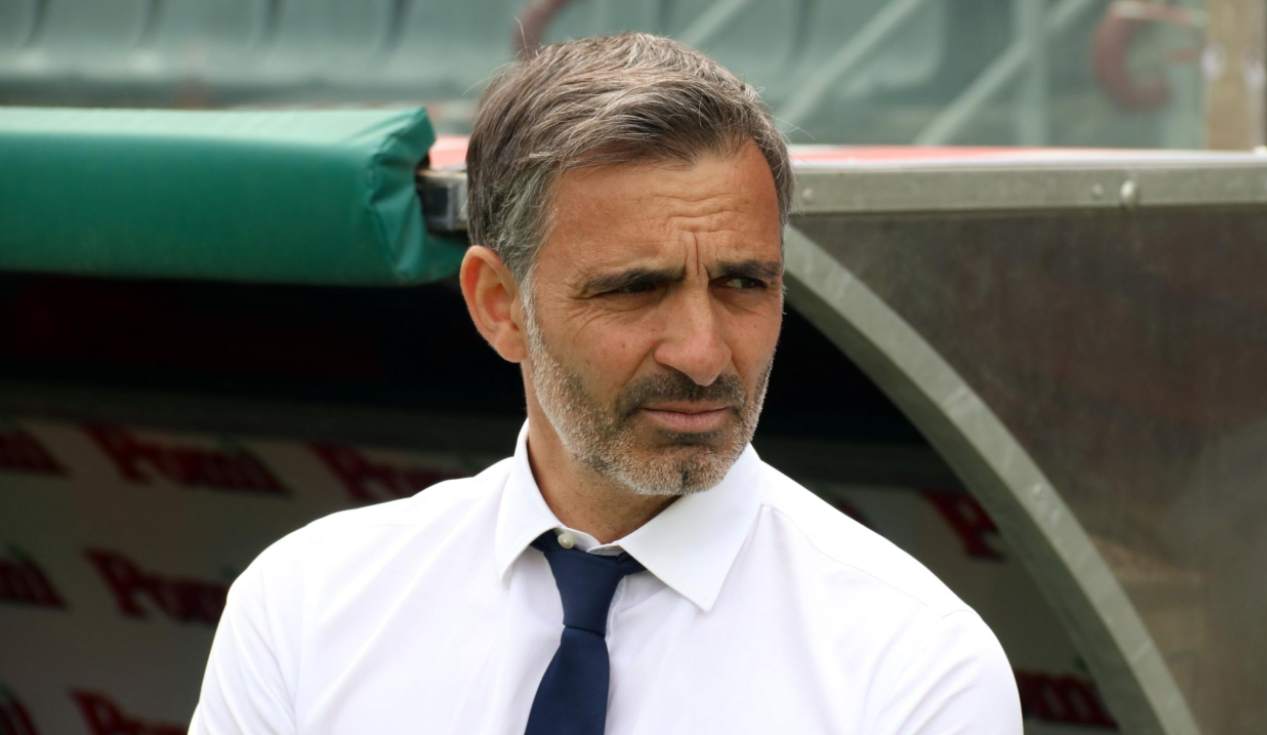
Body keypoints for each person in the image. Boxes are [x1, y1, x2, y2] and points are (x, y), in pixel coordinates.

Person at [190, 32, 1021, 734]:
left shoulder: (917, 667)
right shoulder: (307, 609)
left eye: (742, 283)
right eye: (636, 289)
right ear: (498, 305)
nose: (703, 354)